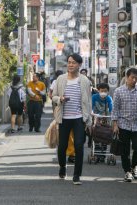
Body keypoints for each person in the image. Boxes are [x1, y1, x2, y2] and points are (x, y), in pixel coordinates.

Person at [52, 53, 92, 185]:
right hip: (64, 117)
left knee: (79, 146)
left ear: (79, 65)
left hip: (79, 118)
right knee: (62, 146)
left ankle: (77, 175)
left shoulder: (85, 80)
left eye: (73, 62)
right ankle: (63, 167)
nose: (70, 65)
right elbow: (53, 97)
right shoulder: (61, 79)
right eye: (69, 62)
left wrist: (89, 121)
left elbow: (88, 101)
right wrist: (60, 99)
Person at [112, 67, 137, 182]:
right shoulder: (118, 91)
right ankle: (127, 171)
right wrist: (115, 124)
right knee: (125, 150)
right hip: (123, 124)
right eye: (132, 77)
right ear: (126, 77)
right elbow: (115, 109)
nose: (134, 80)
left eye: (136, 78)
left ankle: (134, 166)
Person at [90, 83, 113, 149]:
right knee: (96, 133)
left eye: (105, 91)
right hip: (96, 118)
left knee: (105, 134)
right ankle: (96, 149)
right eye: (101, 91)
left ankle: (103, 152)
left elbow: (111, 108)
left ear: (108, 91)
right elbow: (91, 106)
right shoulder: (94, 97)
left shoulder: (109, 98)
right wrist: (91, 112)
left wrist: (112, 114)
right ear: (98, 91)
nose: (103, 92)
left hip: (105, 118)